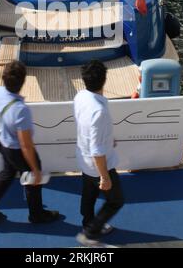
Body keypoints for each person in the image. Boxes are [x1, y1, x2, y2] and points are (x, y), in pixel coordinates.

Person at [0, 60, 59, 223]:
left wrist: (3, 125)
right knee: (31, 180)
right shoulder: (21, 110)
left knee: (5, 176)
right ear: (23, 81)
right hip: (17, 150)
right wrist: (35, 170)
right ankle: (37, 215)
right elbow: (26, 145)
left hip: (4, 145)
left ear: (4, 78)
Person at [74, 60, 124, 246]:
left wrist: (108, 139)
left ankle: (87, 221)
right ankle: (91, 231)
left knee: (89, 193)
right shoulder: (99, 111)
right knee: (115, 201)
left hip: (83, 158)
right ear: (104, 80)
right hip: (99, 165)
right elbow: (97, 151)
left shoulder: (80, 97)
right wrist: (104, 177)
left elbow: (87, 128)